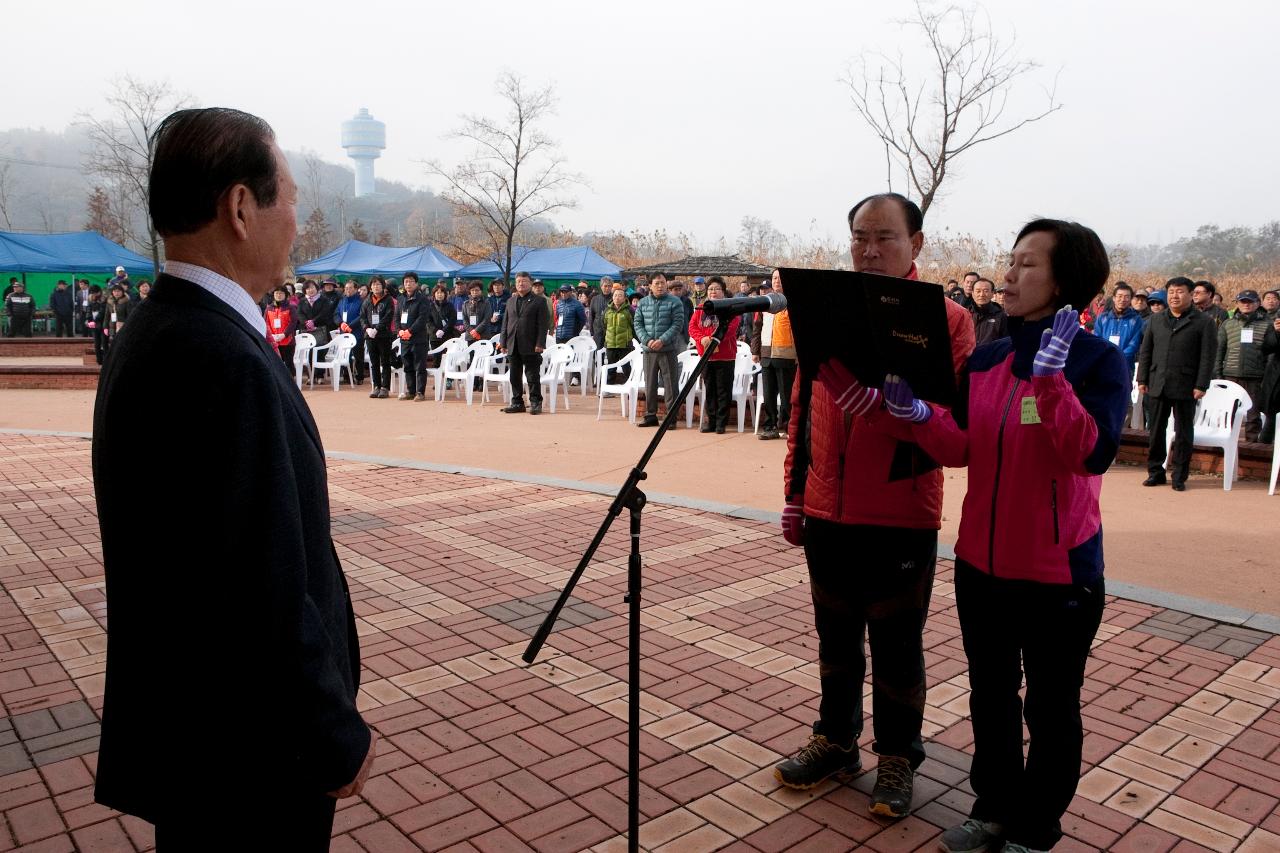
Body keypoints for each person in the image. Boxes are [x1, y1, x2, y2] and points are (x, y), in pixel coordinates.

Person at [92, 106, 372, 848]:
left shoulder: (152, 333)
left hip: (194, 743)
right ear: (241, 208)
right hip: (254, 762)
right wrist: (332, 734)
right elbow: (263, 587)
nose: (298, 217)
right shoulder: (226, 362)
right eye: (288, 194)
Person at [886, 219, 1127, 853]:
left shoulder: (1099, 361)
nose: (1010, 275)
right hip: (981, 565)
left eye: (1027, 264)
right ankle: (993, 807)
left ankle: (1035, 826)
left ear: (1065, 281)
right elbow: (963, 444)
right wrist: (919, 417)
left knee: (1050, 708)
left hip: (1059, 573)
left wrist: (1051, 386)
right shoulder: (989, 356)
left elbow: (1091, 455)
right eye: (1011, 261)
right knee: (990, 695)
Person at [774, 193, 975, 820]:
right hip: (828, 508)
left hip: (900, 511)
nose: (869, 249)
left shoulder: (946, 320)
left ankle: (897, 754)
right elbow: (802, 407)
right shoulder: (824, 308)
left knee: (895, 644)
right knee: (834, 636)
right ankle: (836, 741)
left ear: (916, 244)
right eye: (860, 236)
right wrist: (794, 494)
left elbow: (954, 424)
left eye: (884, 237)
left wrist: (898, 414)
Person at [1137, 277, 1217, 491]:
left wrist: (1202, 385)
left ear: (1191, 295)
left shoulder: (1203, 322)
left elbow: (1207, 357)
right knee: (1155, 430)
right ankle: (1155, 471)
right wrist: (1142, 378)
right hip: (1157, 382)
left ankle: (1179, 475)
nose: (1174, 296)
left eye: (1180, 291)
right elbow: (1146, 351)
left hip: (1186, 385)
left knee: (1183, 433)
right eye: (1171, 291)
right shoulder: (1156, 320)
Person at [1215, 289, 1269, 442]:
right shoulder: (1228, 324)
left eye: (1250, 301)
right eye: (1243, 301)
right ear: (1237, 304)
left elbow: (1270, 352)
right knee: (1228, 412)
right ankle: (1223, 441)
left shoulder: (1267, 324)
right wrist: (1219, 374)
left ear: (1257, 303)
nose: (1246, 304)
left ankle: (1252, 444)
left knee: (1253, 413)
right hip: (1231, 373)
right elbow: (1220, 350)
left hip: (1255, 375)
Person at [687, 277, 740, 434]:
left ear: (723, 292)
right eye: (710, 289)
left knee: (723, 390)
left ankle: (721, 423)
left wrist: (713, 339)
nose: (713, 292)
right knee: (709, 390)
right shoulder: (701, 308)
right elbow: (692, 327)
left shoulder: (731, 308)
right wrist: (702, 339)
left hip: (725, 355)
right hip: (706, 356)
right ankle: (711, 421)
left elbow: (731, 327)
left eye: (716, 289)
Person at [632, 273, 685, 427]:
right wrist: (648, 340)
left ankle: (670, 417)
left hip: (667, 349)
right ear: (650, 285)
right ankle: (650, 415)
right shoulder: (643, 303)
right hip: (649, 350)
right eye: (657, 283)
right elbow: (638, 324)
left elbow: (677, 325)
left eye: (662, 283)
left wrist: (662, 340)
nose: (660, 286)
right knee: (650, 384)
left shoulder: (675, 302)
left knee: (670, 385)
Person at [752, 270, 796, 440]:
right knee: (769, 395)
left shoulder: (792, 301)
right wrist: (755, 351)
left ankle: (787, 426)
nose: (777, 281)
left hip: (786, 354)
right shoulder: (766, 301)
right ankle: (770, 426)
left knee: (787, 396)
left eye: (780, 278)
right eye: (774, 278)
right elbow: (757, 327)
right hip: (766, 353)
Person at [500, 271, 548, 414]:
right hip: (512, 343)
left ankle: (535, 403)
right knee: (514, 375)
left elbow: (543, 325)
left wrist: (540, 343)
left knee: (532, 375)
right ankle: (517, 403)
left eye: (524, 281)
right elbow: (505, 323)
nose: (521, 284)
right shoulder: (510, 301)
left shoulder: (539, 301)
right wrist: (503, 342)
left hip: (531, 344)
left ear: (530, 283)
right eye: (519, 281)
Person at [396, 273, 430, 401]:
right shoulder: (401, 299)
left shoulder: (423, 299)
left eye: (411, 281)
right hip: (404, 339)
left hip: (418, 339)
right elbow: (397, 317)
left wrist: (410, 330)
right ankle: (411, 391)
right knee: (407, 365)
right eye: (406, 282)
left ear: (416, 283)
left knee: (420, 366)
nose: (408, 284)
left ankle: (420, 392)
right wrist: (399, 331)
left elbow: (422, 318)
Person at [361, 277, 395, 398]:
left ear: (383, 286)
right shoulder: (367, 301)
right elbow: (362, 317)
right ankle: (376, 386)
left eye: (378, 284)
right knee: (374, 362)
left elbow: (388, 316)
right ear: (370, 287)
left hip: (384, 335)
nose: (376, 287)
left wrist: (377, 329)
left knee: (385, 362)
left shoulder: (388, 300)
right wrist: (367, 328)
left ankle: (385, 387)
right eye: (374, 284)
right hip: (370, 336)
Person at [600, 285, 635, 381]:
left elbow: (634, 326)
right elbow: (604, 325)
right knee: (611, 368)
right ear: (612, 297)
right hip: (611, 344)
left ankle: (630, 387)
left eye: (620, 295)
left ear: (624, 298)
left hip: (625, 344)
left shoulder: (629, 310)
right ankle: (609, 387)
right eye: (615, 295)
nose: (617, 297)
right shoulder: (607, 310)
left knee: (626, 367)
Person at [334, 281, 365, 385]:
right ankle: (347, 376)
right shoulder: (342, 301)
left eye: (350, 288)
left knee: (358, 355)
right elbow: (336, 314)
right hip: (344, 332)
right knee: (345, 354)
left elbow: (361, 316)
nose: (348, 290)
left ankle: (359, 376)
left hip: (356, 332)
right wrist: (341, 323)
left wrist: (350, 325)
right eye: (346, 288)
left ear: (356, 289)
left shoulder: (361, 301)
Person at [264, 285, 298, 368]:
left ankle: (290, 380)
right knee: (275, 364)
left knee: (289, 363)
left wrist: (284, 334)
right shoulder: (269, 308)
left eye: (281, 293)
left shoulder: (291, 308)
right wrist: (271, 335)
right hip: (273, 341)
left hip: (287, 341)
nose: (278, 295)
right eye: (276, 293)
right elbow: (265, 322)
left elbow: (293, 322)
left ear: (286, 295)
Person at [1260, 312, 1280, 444]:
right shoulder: (1275, 325)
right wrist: (1277, 332)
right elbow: (1267, 348)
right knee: (1272, 416)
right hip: (1277, 378)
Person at [970, 277, 1008, 345]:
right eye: (978, 291)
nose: (981, 295)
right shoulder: (966, 314)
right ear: (972, 293)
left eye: (986, 291)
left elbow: (1006, 343)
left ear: (992, 294)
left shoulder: (1001, 316)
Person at [86, 286, 107, 364]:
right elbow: (88, 310)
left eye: (95, 292)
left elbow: (102, 312)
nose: (94, 294)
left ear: (99, 292)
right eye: (92, 293)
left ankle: (105, 360)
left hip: (103, 325)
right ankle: (99, 360)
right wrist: (89, 320)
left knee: (104, 343)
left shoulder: (104, 300)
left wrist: (94, 320)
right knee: (97, 344)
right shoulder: (91, 300)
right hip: (94, 326)